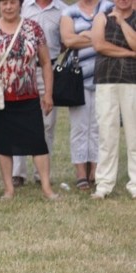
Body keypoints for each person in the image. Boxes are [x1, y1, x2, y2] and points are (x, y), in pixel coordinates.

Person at [0, 0, 60, 202]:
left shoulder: (33, 28)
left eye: (12, 3)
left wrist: (48, 93)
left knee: (38, 144)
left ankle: (46, 188)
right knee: (3, 144)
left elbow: (45, 63)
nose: (8, 7)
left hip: (28, 95)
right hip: (0, 98)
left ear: (20, 5)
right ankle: (9, 189)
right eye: (4, 3)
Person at [11, 0, 67, 189]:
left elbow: (65, 41)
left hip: (48, 68)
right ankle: (18, 173)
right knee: (19, 122)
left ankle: (41, 173)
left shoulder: (63, 10)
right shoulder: (23, 5)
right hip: (22, 68)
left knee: (47, 123)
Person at [61, 0, 114, 192]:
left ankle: (97, 170)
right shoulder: (69, 12)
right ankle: (81, 173)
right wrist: (98, 38)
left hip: (106, 75)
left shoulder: (109, 7)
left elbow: (113, 36)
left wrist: (83, 35)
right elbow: (68, 40)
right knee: (79, 128)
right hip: (78, 78)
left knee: (100, 126)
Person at [89, 0, 136, 199]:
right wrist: (129, 53)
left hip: (132, 81)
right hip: (106, 81)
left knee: (134, 135)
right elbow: (99, 45)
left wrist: (123, 24)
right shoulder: (101, 18)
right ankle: (104, 184)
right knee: (107, 133)